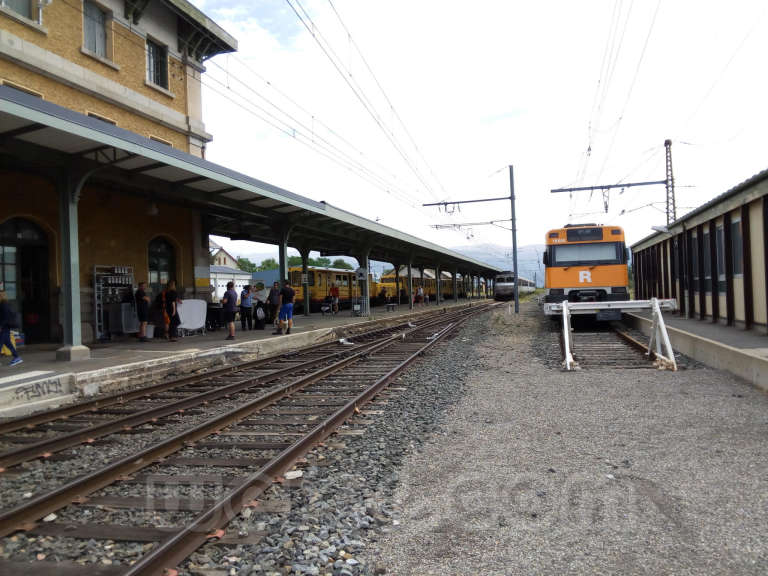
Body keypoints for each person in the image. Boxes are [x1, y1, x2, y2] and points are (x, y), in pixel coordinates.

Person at [0, 290, 21, 366]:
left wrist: (1, 326)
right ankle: (17, 357)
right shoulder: (5, 303)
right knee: (8, 343)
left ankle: (17, 357)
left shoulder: (3, 304)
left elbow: (5, 317)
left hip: (4, 327)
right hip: (6, 327)